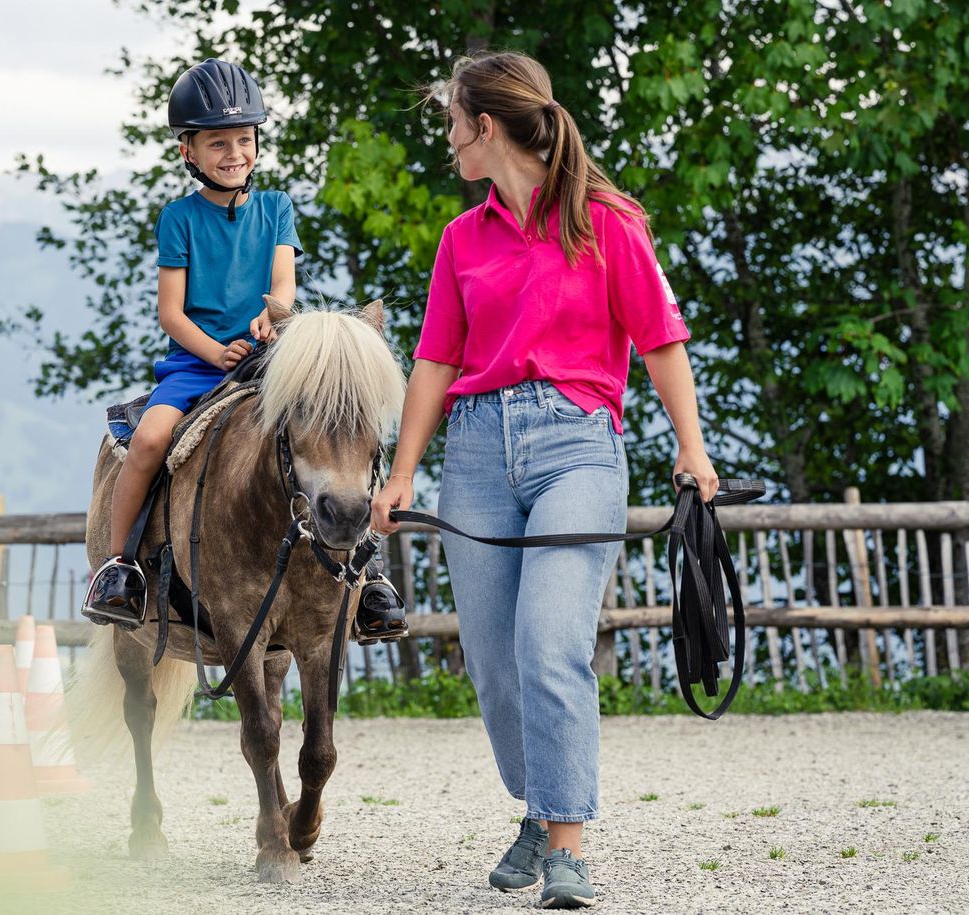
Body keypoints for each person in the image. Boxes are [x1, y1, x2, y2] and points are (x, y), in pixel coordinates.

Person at [370, 52, 718, 909]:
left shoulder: (609, 222)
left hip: (577, 445)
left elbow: (662, 341)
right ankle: (540, 803)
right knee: (492, 659)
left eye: (454, 122)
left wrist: (693, 448)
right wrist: (402, 469)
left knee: (549, 641)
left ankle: (566, 844)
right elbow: (435, 362)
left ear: (485, 128)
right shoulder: (463, 238)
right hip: (478, 450)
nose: (449, 139)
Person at [85, 58, 407, 642]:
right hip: (196, 363)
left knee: (341, 431)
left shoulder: (276, 207)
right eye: (217, 143)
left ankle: (368, 573)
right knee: (152, 439)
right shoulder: (178, 219)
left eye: (243, 140)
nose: (233, 153)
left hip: (271, 358)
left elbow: (283, 283)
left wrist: (271, 314)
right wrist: (214, 353)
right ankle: (120, 566)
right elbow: (171, 314)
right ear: (189, 151)